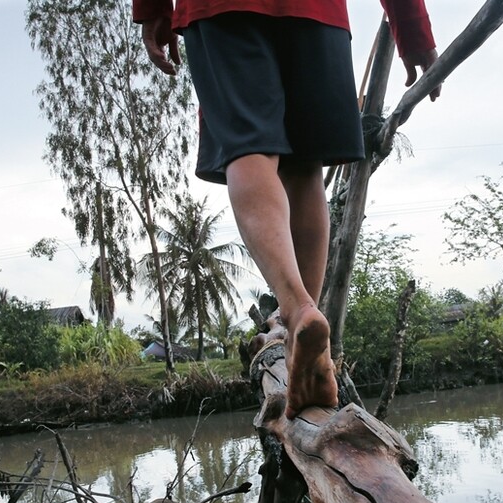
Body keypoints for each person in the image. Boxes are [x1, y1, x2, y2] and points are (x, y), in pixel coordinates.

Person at [133, 0, 440, 419]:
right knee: (305, 166)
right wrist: (413, 29)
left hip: (222, 8)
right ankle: (305, 337)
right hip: (318, 11)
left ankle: (297, 310)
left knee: (249, 148)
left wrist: (152, 9)